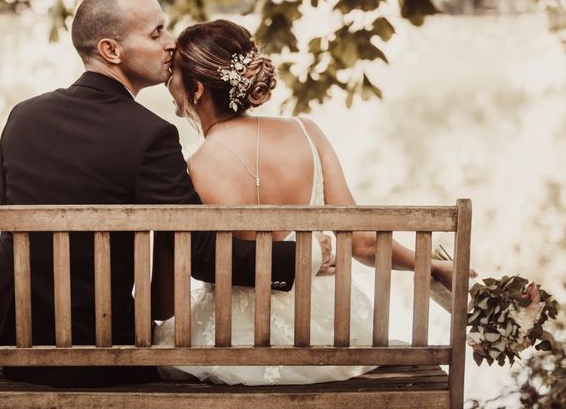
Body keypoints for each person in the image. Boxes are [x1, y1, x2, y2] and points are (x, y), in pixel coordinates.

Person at [0, 0, 301, 387]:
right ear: (111, 50)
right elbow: (201, 254)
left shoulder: (22, 116)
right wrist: (299, 257)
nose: (171, 42)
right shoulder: (149, 135)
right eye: (155, 34)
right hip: (103, 350)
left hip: (13, 343)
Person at [154, 19, 461, 384]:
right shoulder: (306, 133)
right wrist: (431, 266)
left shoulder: (193, 166)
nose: (167, 83)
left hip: (234, 341)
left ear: (198, 89)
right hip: (329, 334)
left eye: (172, 74)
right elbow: (361, 242)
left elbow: (165, 302)